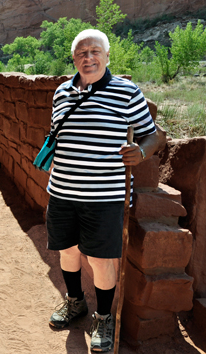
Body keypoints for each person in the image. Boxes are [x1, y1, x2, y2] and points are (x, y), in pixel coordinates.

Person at [45, 29, 165, 352]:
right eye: (82, 52)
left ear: (107, 56)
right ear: (74, 59)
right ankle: (75, 302)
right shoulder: (60, 93)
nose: (88, 57)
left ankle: (103, 317)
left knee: (100, 259)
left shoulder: (126, 93)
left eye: (95, 51)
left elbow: (153, 136)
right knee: (67, 252)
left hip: (104, 196)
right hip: (62, 191)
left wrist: (140, 152)